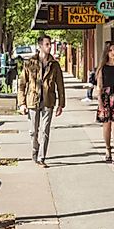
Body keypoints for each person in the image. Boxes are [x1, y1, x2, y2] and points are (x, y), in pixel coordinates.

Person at [17, 35, 65, 167]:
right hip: (33, 101)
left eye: (50, 44)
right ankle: (35, 150)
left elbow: (60, 85)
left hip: (48, 101)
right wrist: (22, 103)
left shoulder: (54, 65)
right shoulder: (30, 63)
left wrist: (61, 104)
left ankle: (41, 157)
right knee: (33, 131)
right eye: (47, 44)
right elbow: (22, 84)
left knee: (45, 131)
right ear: (40, 46)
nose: (49, 47)